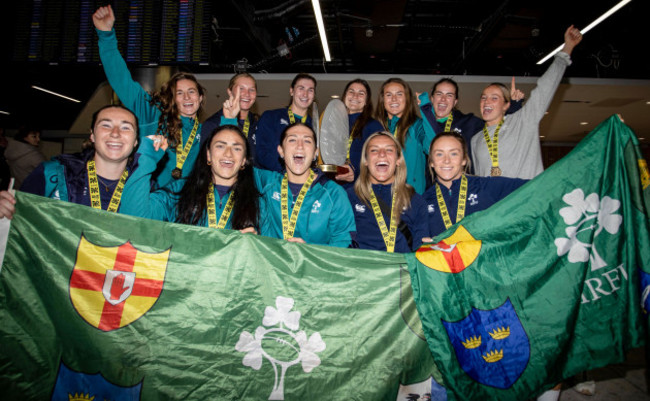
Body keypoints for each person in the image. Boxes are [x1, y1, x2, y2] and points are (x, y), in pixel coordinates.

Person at [93, 5, 206, 188]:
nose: (186, 97)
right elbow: (122, 81)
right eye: (179, 93)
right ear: (172, 98)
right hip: (148, 197)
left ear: (200, 98)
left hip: (184, 206)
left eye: (191, 92)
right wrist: (106, 36)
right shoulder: (152, 114)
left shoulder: (204, 132)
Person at [471, 25, 583, 179]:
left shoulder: (523, 121)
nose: (486, 101)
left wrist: (567, 48)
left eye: (494, 98)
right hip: (497, 202)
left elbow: (545, 88)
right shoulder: (476, 139)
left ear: (506, 105)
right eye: (483, 97)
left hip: (526, 200)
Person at [0, 105, 142, 219]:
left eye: (125, 127)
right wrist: (4, 208)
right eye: (106, 125)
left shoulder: (145, 188)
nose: (115, 133)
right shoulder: (52, 174)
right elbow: (19, 222)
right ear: (92, 135)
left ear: (135, 140)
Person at [120, 124, 260, 233]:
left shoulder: (259, 202)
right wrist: (147, 157)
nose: (228, 154)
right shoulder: (179, 191)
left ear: (244, 161)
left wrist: (255, 243)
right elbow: (133, 218)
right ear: (209, 155)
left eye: (237, 149)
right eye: (220, 146)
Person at [256, 122, 356, 247]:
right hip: (272, 264)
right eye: (292, 140)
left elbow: (344, 245)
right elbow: (234, 162)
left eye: (307, 141)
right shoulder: (267, 183)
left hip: (315, 265)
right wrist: (230, 119)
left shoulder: (334, 193)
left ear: (315, 153)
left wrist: (308, 254)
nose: (300, 146)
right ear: (281, 151)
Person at [423, 132, 526, 238]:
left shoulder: (487, 187)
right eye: (439, 154)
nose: (446, 160)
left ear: (464, 160)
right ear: (431, 162)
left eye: (453, 153)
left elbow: (536, 188)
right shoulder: (423, 201)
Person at [347, 132, 428, 253]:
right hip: (363, 270)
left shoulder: (415, 201)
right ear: (365, 160)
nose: (382, 154)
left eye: (389, 150)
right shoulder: (349, 198)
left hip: (401, 270)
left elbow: (419, 251)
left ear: (398, 160)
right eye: (374, 150)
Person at [418, 77, 524, 168]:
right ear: (432, 99)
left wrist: (513, 107)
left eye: (449, 95)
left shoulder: (469, 122)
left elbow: (498, 127)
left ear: (455, 102)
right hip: (433, 187)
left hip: (467, 186)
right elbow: (430, 147)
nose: (443, 99)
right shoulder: (421, 127)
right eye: (439, 94)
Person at [375, 78, 436, 194]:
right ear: (382, 100)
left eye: (399, 94)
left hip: (411, 196)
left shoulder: (416, 126)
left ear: (407, 99)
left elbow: (433, 146)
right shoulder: (376, 127)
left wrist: (426, 108)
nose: (394, 99)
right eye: (389, 95)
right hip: (381, 195)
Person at [254, 73, 316, 172]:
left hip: (303, 182)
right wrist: (287, 172)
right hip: (274, 180)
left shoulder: (315, 127)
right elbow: (261, 152)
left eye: (310, 90)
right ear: (291, 91)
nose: (305, 94)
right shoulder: (270, 117)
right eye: (301, 88)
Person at [334, 79, 384, 188]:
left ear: (366, 101)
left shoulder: (373, 126)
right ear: (344, 96)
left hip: (359, 189)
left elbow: (380, 159)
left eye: (361, 93)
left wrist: (355, 172)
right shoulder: (333, 123)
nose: (355, 96)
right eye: (351, 92)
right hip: (333, 187)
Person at [200, 73, 258, 154]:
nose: (247, 94)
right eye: (241, 89)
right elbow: (205, 160)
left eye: (251, 90)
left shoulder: (258, 124)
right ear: (230, 92)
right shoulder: (213, 124)